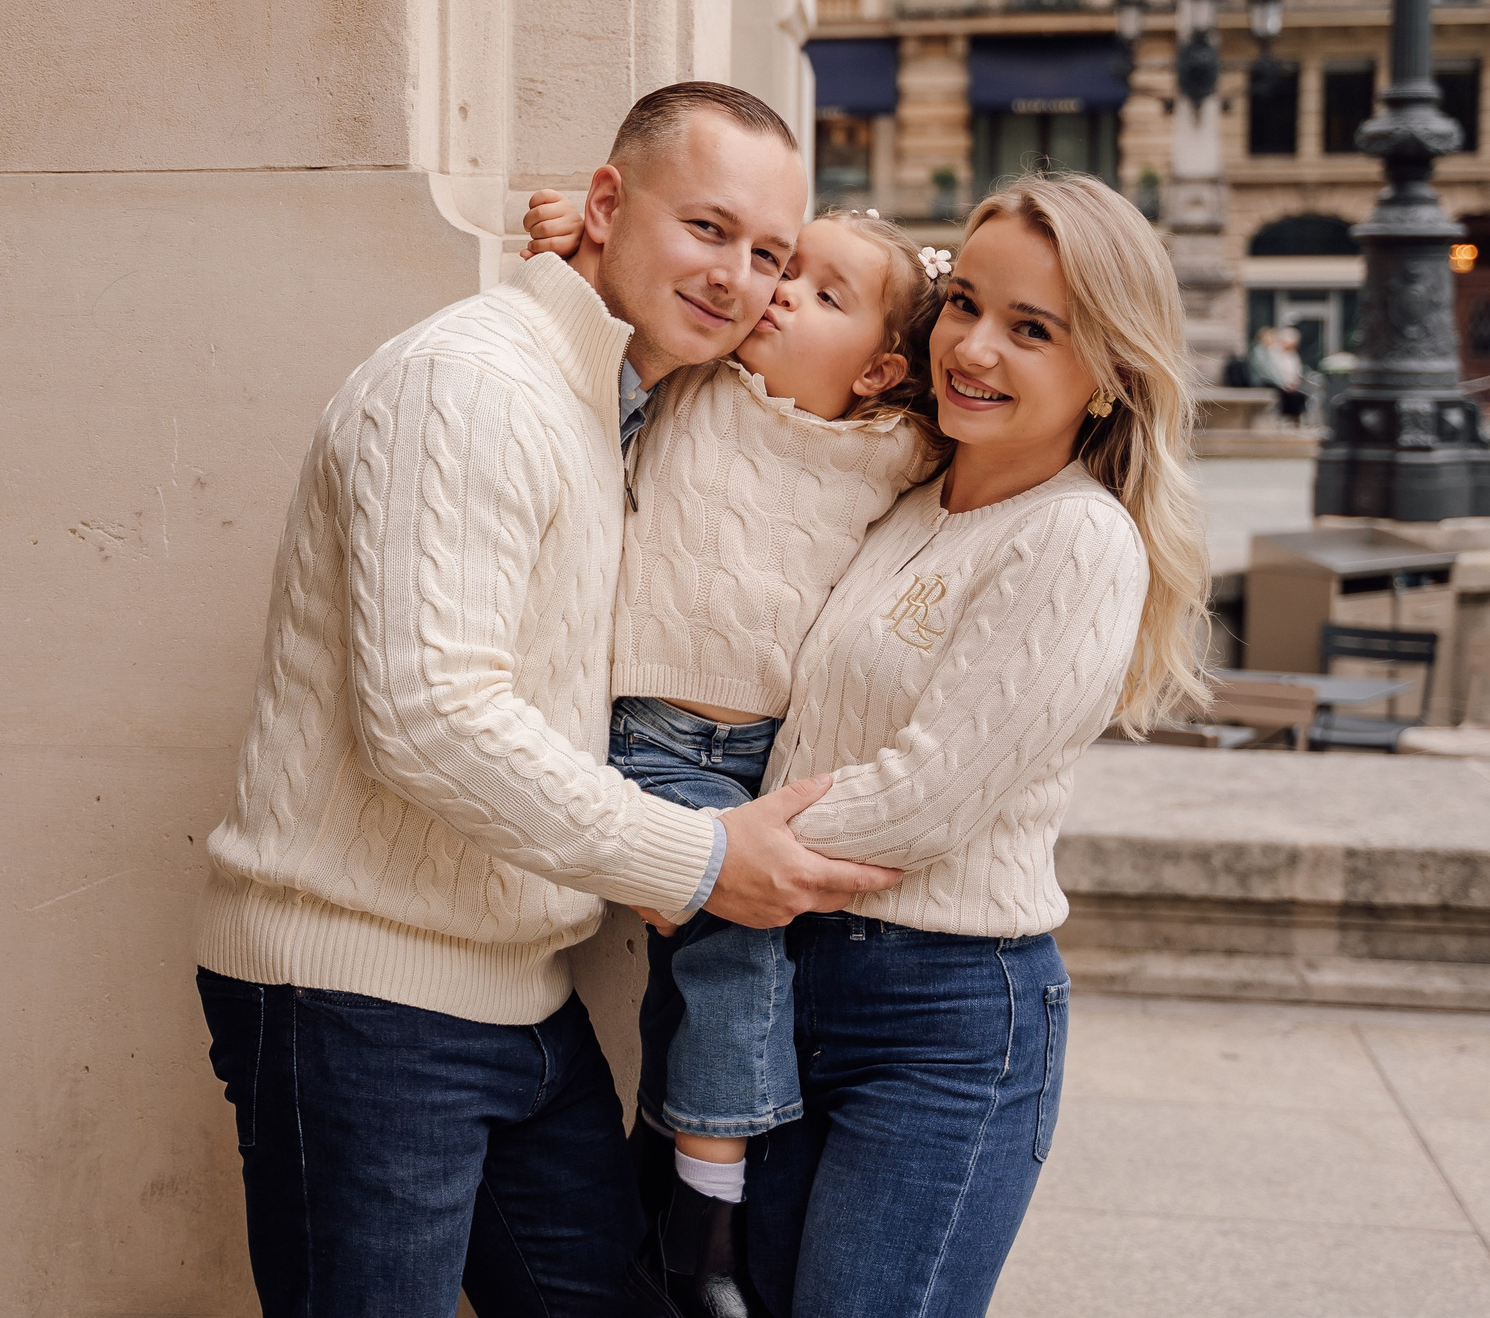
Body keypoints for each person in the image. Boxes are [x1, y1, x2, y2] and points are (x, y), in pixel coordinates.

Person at [193, 82, 905, 1318]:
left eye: (770, 255)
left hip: (522, 1002)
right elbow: (430, 715)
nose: (738, 277)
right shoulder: (466, 386)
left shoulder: (614, 397)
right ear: (607, 203)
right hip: (362, 999)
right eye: (708, 228)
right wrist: (697, 859)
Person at [734, 173, 1209, 1318]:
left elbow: (920, 804)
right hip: (784, 981)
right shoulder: (904, 496)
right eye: (966, 305)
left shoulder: (1077, 543)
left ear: (1107, 373)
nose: (974, 349)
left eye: (1030, 329)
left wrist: (702, 856)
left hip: (942, 1016)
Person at [517, 197, 938, 1317]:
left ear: (882, 371)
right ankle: (705, 1242)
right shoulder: (699, 383)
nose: (779, 291)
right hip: (648, 740)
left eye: (821, 292)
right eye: (783, 270)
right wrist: (578, 234)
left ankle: (669, 1200)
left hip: (765, 757)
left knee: (703, 988)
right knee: (737, 954)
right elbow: (604, 338)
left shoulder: (902, 453)